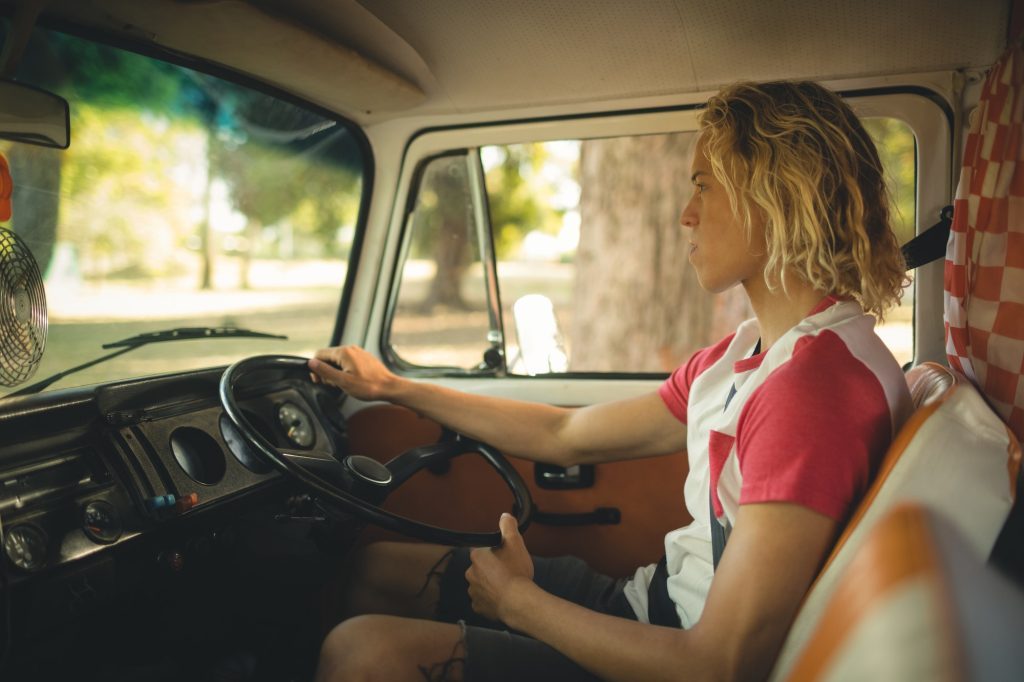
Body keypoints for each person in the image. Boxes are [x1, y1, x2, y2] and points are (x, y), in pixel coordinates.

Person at [307, 80, 913, 682]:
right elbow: (567, 432)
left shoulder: (810, 388)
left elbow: (722, 664)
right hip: (651, 606)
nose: (686, 214)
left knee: (360, 655)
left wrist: (519, 604)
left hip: (673, 649)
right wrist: (395, 388)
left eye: (703, 184)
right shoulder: (752, 353)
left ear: (776, 194)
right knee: (376, 569)